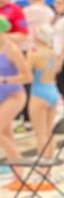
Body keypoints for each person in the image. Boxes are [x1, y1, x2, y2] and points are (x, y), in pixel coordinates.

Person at [0, 17, 32, 172]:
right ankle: (18, 172)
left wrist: (5, 79)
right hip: (2, 97)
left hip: (14, 95)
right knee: (6, 133)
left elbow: (27, 77)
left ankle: (20, 170)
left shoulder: (11, 49)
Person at [26, 28, 62, 159]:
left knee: (40, 133)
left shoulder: (34, 54)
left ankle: (43, 167)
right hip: (53, 91)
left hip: (39, 92)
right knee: (49, 131)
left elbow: (27, 74)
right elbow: (57, 69)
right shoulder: (53, 53)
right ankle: (50, 165)